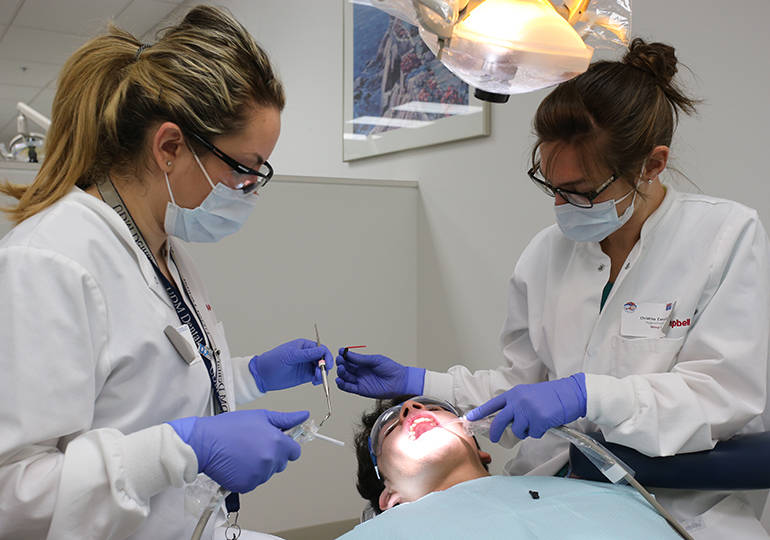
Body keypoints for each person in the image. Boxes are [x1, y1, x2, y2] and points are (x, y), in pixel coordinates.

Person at [336, 38, 770, 538]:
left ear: (651, 165)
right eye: (551, 185)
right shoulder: (546, 253)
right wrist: (418, 383)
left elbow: (719, 398)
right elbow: (518, 389)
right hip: (548, 488)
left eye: (581, 192)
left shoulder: (725, 237)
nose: (561, 206)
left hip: (676, 504)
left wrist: (589, 395)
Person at [0, 6, 333, 540]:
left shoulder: (162, 250)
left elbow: (151, 393)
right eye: (245, 170)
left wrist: (251, 376)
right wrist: (183, 450)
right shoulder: (50, 262)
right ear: (170, 147)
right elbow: (14, 495)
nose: (248, 191)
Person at [340, 396, 682, 539]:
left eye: (433, 406)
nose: (412, 408)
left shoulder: (612, 496)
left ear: (481, 450)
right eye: (389, 425)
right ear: (390, 497)